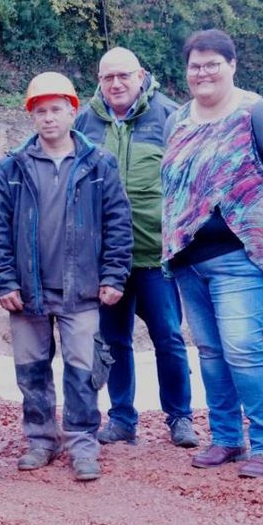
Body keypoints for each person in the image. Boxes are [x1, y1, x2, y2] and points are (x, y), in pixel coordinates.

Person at [161, 29, 263, 479]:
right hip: (189, 259)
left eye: (212, 63)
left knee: (242, 349)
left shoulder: (258, 113)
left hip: (242, 259)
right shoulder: (178, 119)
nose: (203, 72)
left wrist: (261, 225)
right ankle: (226, 439)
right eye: (195, 65)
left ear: (232, 65)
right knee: (211, 352)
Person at [0, 72, 133, 481]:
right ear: (31, 116)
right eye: (41, 111)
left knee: (83, 369)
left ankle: (83, 442)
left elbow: (118, 222)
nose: (49, 118)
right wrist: (4, 280)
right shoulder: (12, 167)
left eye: (56, 110)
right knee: (31, 369)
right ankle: (41, 440)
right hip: (27, 290)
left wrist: (114, 274)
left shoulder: (99, 164)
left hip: (81, 288)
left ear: (72, 110)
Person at [74, 47, 197, 448]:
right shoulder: (84, 121)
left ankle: (180, 417)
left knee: (169, 338)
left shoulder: (171, 116)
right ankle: (122, 419)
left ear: (141, 75)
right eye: (107, 77)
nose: (115, 84)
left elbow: (193, 182)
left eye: (123, 76)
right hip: (106, 260)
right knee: (113, 342)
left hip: (156, 256)